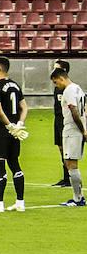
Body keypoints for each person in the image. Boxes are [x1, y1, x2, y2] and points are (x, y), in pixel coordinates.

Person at [0, 57, 29, 213]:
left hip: (0, 132)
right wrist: (19, 125)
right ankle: (20, 202)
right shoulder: (15, 85)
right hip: (15, 132)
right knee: (15, 164)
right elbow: (24, 107)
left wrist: (9, 126)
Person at [52, 68, 85, 207]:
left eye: (55, 82)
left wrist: (83, 129)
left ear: (61, 78)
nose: (56, 86)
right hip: (76, 130)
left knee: (71, 164)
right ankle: (78, 197)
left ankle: (78, 199)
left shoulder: (69, 91)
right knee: (69, 163)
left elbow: (74, 110)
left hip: (72, 130)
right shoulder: (78, 88)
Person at [51, 60, 72, 187]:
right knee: (60, 148)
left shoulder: (69, 87)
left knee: (67, 149)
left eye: (56, 68)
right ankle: (65, 177)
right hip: (57, 119)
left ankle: (69, 177)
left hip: (65, 120)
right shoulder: (57, 87)